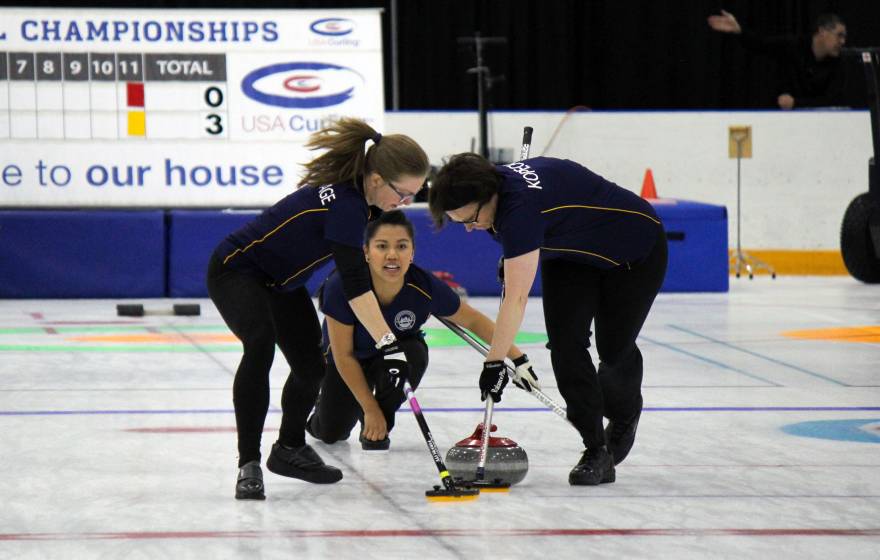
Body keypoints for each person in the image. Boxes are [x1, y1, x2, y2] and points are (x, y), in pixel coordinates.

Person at [206, 118, 430, 500]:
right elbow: (357, 286)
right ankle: (249, 464)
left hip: (280, 284)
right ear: (375, 178)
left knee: (312, 368)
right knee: (259, 343)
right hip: (237, 271)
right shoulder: (348, 206)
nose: (404, 203)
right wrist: (389, 344)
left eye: (413, 195)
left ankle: (290, 448)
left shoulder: (365, 203)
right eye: (403, 193)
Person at [428, 154, 667, 486]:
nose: (470, 228)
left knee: (613, 349)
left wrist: (495, 362)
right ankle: (596, 450)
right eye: (460, 222)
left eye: (470, 218)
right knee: (565, 346)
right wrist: (515, 252)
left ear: (487, 196)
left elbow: (517, 298)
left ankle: (625, 415)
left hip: (633, 250)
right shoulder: (494, 188)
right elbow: (523, 231)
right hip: (569, 254)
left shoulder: (519, 212)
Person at [306, 210, 539, 450]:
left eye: (402, 246)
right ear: (366, 252)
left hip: (396, 357)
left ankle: (380, 423)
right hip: (351, 359)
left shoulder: (425, 286)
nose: (392, 255)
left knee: (413, 354)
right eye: (382, 246)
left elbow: (473, 321)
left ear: (412, 253)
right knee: (331, 433)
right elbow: (343, 355)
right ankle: (326, 408)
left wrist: (518, 357)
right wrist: (369, 407)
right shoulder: (341, 286)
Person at [707, 10, 848, 109]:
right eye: (839, 35)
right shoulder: (793, 46)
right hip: (783, 119)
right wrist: (739, 31)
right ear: (822, 31)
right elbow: (761, 44)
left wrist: (796, 103)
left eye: (844, 37)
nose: (842, 41)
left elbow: (832, 100)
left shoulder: (838, 62)